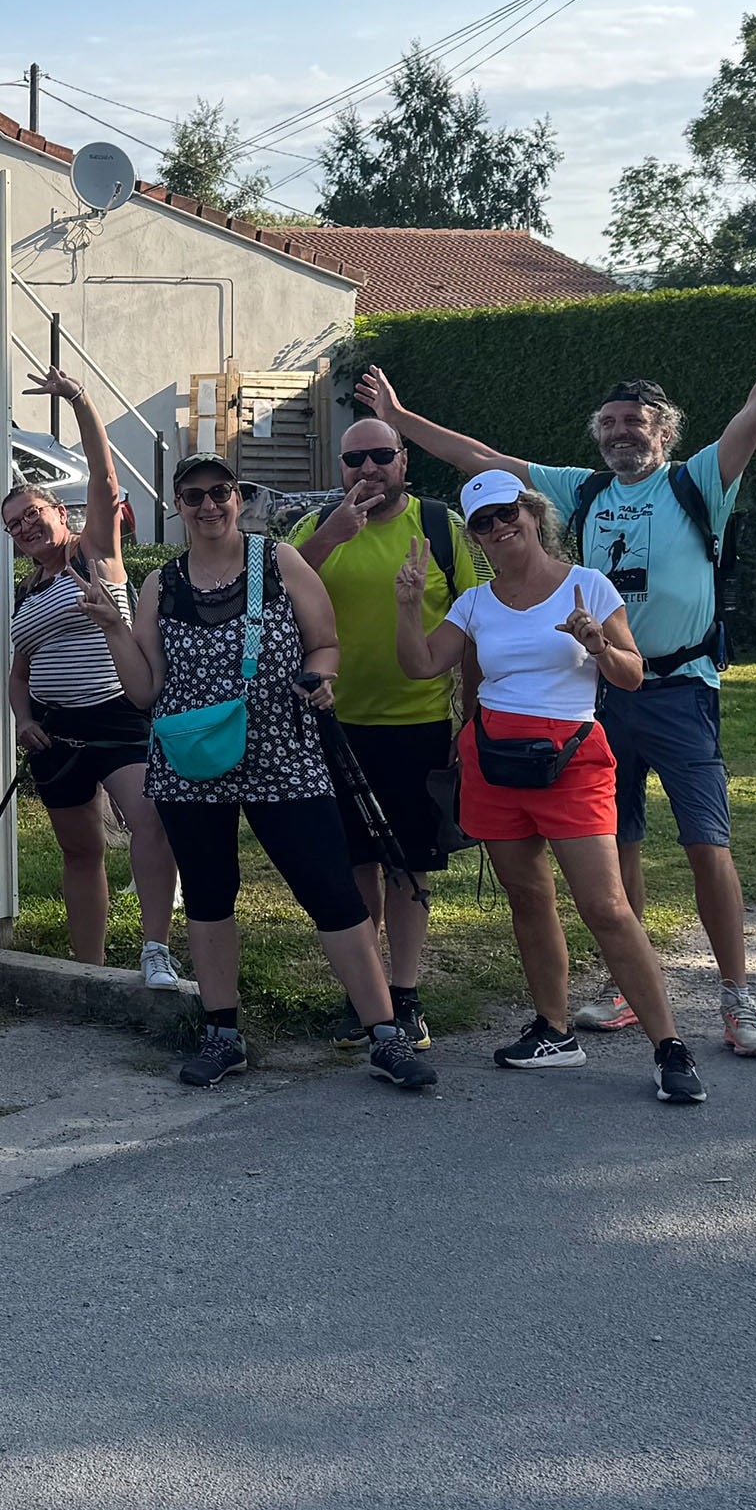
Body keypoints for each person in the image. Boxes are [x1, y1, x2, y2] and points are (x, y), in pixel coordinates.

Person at [359, 260, 756, 1058]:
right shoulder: (580, 490)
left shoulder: (701, 480)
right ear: (597, 434)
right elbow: (478, 460)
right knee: (614, 849)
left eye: (639, 423)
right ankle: (622, 988)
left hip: (679, 689)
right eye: (612, 422)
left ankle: (737, 998)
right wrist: (401, 417)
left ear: (664, 435)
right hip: (591, 704)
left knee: (707, 844)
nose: (624, 432)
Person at [84, 454, 435, 1092]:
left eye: (220, 492)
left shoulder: (277, 561)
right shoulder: (161, 585)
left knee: (331, 890)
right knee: (211, 895)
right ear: (178, 507)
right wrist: (112, 626)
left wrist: (321, 678)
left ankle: (386, 1033)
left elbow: (324, 642)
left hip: (283, 754)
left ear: (238, 497)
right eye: (193, 496)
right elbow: (146, 690)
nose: (208, 505)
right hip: (192, 765)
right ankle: (223, 1032)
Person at [394, 471, 705, 1104]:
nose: (498, 528)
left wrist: (596, 645)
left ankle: (670, 1046)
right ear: (474, 536)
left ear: (534, 513)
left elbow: (631, 677)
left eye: (508, 513)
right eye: (482, 522)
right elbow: (423, 664)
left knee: (607, 908)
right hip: (494, 760)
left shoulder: (587, 584)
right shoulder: (475, 602)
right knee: (527, 898)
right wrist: (405, 606)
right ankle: (553, 1031)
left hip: (570, 756)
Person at [291, 420, 478, 1048]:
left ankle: (405, 993)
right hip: (330, 723)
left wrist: (470, 718)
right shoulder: (313, 528)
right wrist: (333, 534)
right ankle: (364, 995)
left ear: (403, 462)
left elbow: (475, 621)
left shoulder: (439, 526)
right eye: (353, 459)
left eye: (380, 457)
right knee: (353, 865)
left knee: (408, 866)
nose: (367, 469)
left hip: (415, 722)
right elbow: (270, 595)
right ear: (339, 468)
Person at [1, 369, 185, 981]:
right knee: (80, 852)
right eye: (13, 523)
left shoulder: (95, 553)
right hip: (55, 732)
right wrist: (23, 718)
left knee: (149, 822)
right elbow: (18, 671)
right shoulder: (27, 590)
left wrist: (79, 400)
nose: (24, 526)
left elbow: (106, 481)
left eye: (32, 513)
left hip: (116, 714)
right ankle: (92, 971)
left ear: (60, 510)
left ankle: (155, 952)